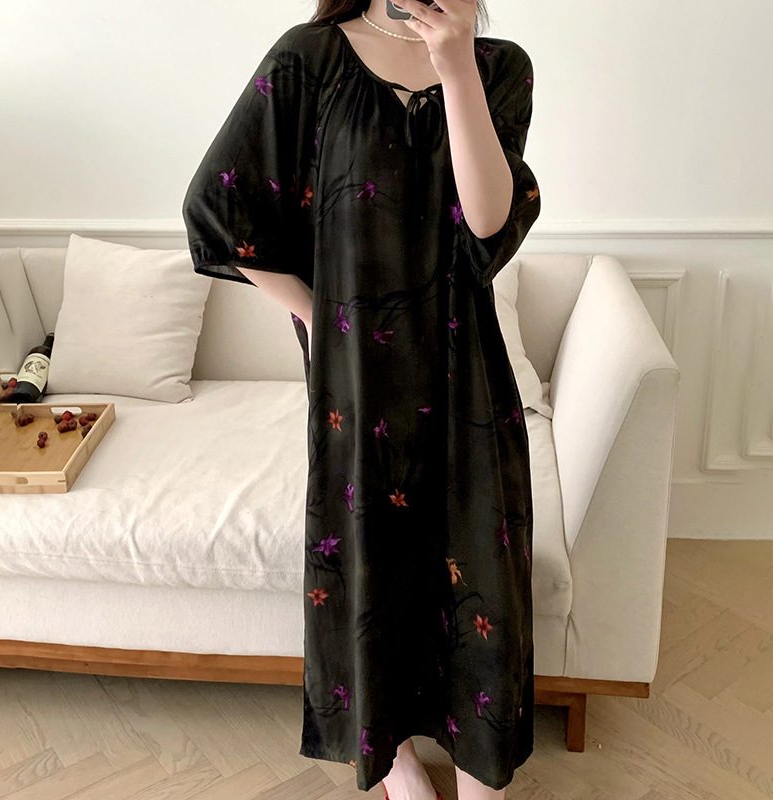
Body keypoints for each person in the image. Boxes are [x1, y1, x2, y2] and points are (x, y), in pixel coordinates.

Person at [181, 0, 541, 797]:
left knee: (484, 570)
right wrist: (321, 318)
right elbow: (216, 206)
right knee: (374, 569)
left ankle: (481, 765)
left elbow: (487, 225)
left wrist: (455, 63)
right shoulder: (311, 58)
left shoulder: (499, 67)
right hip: (359, 389)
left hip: (467, 377)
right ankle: (394, 757)